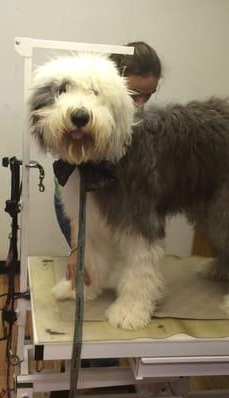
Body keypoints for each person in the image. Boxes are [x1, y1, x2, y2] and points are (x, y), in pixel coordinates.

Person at [54, 41, 162, 285]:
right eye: (134, 95)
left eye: (150, 95)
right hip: (78, 190)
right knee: (87, 242)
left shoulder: (139, 131)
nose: (141, 104)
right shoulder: (81, 117)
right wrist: (76, 251)